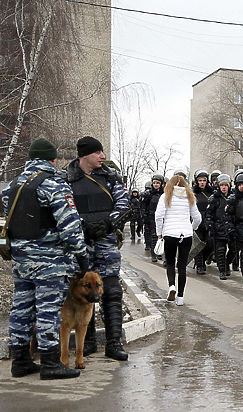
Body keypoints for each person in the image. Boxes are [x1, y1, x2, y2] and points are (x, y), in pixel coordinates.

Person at [2, 138, 87, 380]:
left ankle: (20, 361)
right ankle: (51, 363)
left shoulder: (13, 186)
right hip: (49, 262)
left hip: (21, 260)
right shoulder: (54, 185)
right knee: (48, 310)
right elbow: (69, 226)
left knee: (21, 308)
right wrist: (81, 255)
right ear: (52, 159)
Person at [64, 135, 130, 361]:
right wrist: (82, 225)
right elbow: (62, 208)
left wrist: (108, 223)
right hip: (80, 244)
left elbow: (123, 204)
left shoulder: (110, 177)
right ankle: (88, 343)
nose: (103, 156)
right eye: (97, 153)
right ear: (84, 155)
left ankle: (114, 344)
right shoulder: (67, 178)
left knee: (111, 291)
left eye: (102, 152)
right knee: (82, 293)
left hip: (106, 241)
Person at [155, 175, 201, 305]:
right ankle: (180, 298)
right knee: (182, 266)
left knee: (170, 263)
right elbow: (198, 218)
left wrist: (159, 233)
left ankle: (171, 287)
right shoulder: (190, 197)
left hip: (170, 234)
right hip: (185, 235)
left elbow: (158, 216)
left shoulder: (165, 197)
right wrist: (191, 229)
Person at [206, 174, 235, 280]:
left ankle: (227, 264)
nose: (224, 187)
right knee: (220, 251)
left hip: (231, 228)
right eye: (222, 185)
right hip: (219, 228)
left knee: (233, 249)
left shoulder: (233, 197)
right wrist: (210, 225)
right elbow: (209, 214)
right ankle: (222, 270)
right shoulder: (214, 198)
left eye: (226, 185)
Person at [192, 169, 214, 274]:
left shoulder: (211, 192)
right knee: (198, 244)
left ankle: (203, 260)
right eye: (200, 180)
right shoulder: (192, 193)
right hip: (197, 222)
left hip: (209, 221)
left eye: (204, 180)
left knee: (210, 244)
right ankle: (199, 265)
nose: (202, 182)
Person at [142, 174, 164, 262]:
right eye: (154, 183)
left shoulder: (164, 194)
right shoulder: (148, 194)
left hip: (162, 217)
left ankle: (159, 252)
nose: (156, 184)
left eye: (158, 183)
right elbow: (143, 206)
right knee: (154, 235)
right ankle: (153, 254)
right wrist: (145, 216)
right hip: (151, 217)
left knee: (162, 236)